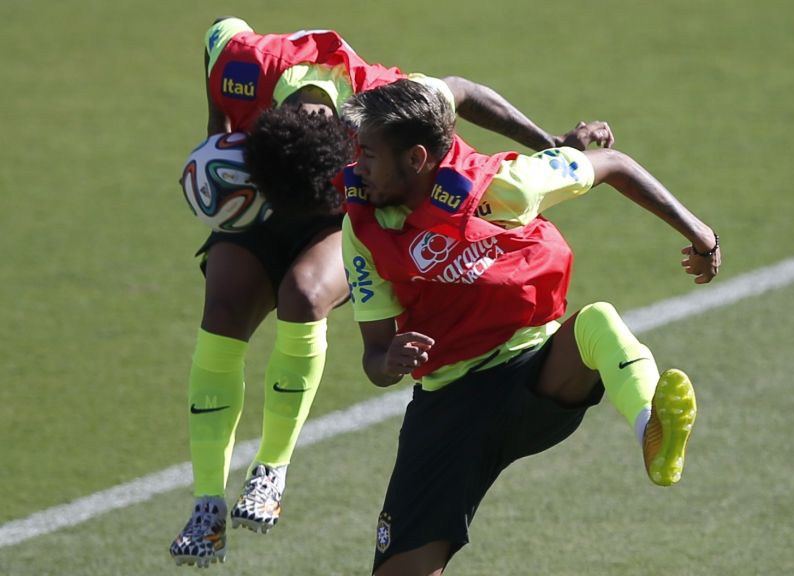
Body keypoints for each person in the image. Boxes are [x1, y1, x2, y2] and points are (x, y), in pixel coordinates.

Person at [170, 16, 616, 568]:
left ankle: (271, 469)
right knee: (221, 312)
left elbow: (462, 92)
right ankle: (207, 503)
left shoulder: (376, 96)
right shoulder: (244, 61)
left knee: (303, 296)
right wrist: (215, 135)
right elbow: (217, 38)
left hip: (335, 216)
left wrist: (550, 145)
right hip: (259, 193)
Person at [338, 79, 721, 575]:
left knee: (597, 321)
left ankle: (652, 428)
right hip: (449, 407)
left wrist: (702, 236)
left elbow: (614, 164)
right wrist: (389, 361)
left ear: (415, 159)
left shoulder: (507, 185)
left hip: (535, 374)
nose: (357, 166)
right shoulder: (365, 230)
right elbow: (374, 358)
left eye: (368, 154)